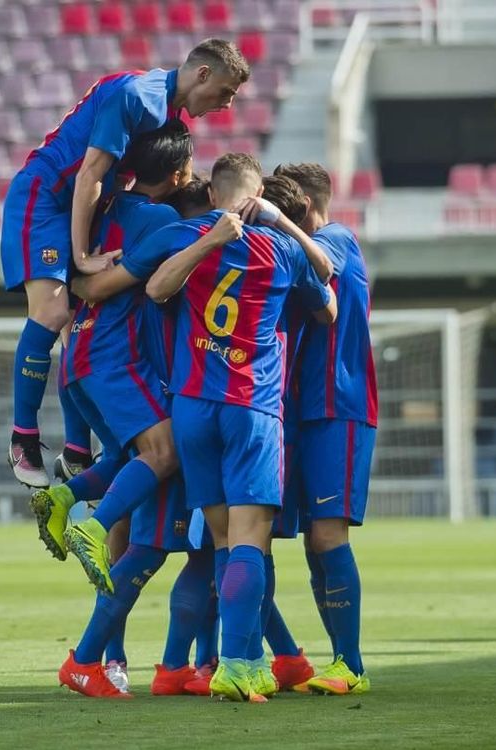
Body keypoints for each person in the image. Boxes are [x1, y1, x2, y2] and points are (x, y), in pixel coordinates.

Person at [4, 39, 250, 490]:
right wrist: (82, 255)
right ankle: (23, 437)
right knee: (54, 313)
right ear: (202, 75)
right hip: (47, 199)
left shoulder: (165, 113)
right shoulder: (137, 96)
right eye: (226, 91)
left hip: (83, 205)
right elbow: (88, 175)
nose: (227, 104)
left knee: (74, 325)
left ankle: (77, 450)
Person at [146, 153, 336, 702]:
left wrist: (205, 242)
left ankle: (248, 658)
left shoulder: (189, 234)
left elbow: (156, 288)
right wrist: (287, 226)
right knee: (252, 539)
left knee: (224, 539)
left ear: (213, 195)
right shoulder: (279, 248)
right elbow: (326, 297)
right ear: (260, 195)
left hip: (192, 408)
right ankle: (234, 663)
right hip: (251, 406)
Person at [31, 121, 204, 591]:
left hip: (76, 358)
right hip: (115, 359)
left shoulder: (97, 210)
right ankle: (90, 520)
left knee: (132, 462)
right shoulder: (163, 222)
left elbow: (75, 277)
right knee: (164, 451)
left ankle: (108, 656)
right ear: (176, 173)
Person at [274, 162, 378, 696]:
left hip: (338, 403)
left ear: (308, 209)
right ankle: (337, 661)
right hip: (303, 409)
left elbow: (320, 269)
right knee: (312, 542)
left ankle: (351, 664)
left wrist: (277, 221)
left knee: (326, 534)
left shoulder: (336, 237)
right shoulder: (300, 250)